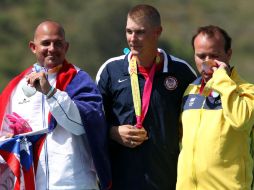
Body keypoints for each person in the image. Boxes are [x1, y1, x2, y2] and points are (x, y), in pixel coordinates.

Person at [0, 21, 112, 190]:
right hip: (30, 183)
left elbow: (82, 126)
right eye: (46, 43)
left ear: (66, 47)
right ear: (33, 47)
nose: (52, 48)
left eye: (58, 43)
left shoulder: (80, 80)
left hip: (73, 184)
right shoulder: (16, 87)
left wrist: (50, 93)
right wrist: (10, 139)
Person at [96, 4, 197, 190]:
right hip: (120, 182)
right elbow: (93, 122)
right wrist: (113, 132)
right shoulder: (111, 70)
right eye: (129, 31)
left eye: (140, 32)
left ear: (157, 32)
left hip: (167, 181)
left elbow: (199, 122)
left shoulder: (181, 72)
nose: (132, 39)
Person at [176, 25, 254, 190]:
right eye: (201, 56)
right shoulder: (190, 91)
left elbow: (241, 121)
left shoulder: (247, 90)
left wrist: (222, 79)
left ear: (229, 54)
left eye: (214, 55)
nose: (207, 62)